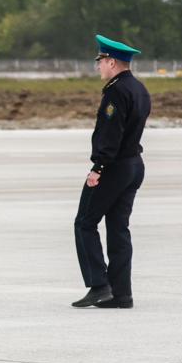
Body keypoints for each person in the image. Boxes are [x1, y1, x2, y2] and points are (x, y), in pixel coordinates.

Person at [71, 35, 150, 309]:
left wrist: (98, 167)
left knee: (84, 222)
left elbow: (111, 132)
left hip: (114, 167)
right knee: (118, 229)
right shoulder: (139, 88)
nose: (98, 67)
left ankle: (99, 285)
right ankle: (121, 293)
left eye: (101, 61)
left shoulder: (116, 91)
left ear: (112, 62)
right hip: (133, 165)